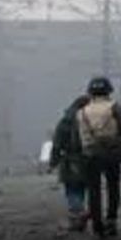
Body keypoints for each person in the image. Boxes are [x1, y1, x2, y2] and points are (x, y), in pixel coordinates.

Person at [76, 76, 121, 240]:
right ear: (108, 91)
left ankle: (97, 227)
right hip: (111, 153)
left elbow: (79, 138)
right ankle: (111, 221)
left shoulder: (82, 112)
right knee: (113, 187)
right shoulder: (114, 107)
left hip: (90, 154)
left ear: (90, 92)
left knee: (94, 191)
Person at [48, 95, 92, 232]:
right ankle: (80, 220)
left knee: (73, 190)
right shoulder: (92, 119)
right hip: (89, 159)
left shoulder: (66, 121)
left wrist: (53, 162)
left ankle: (78, 215)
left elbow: (57, 143)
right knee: (83, 189)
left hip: (70, 160)